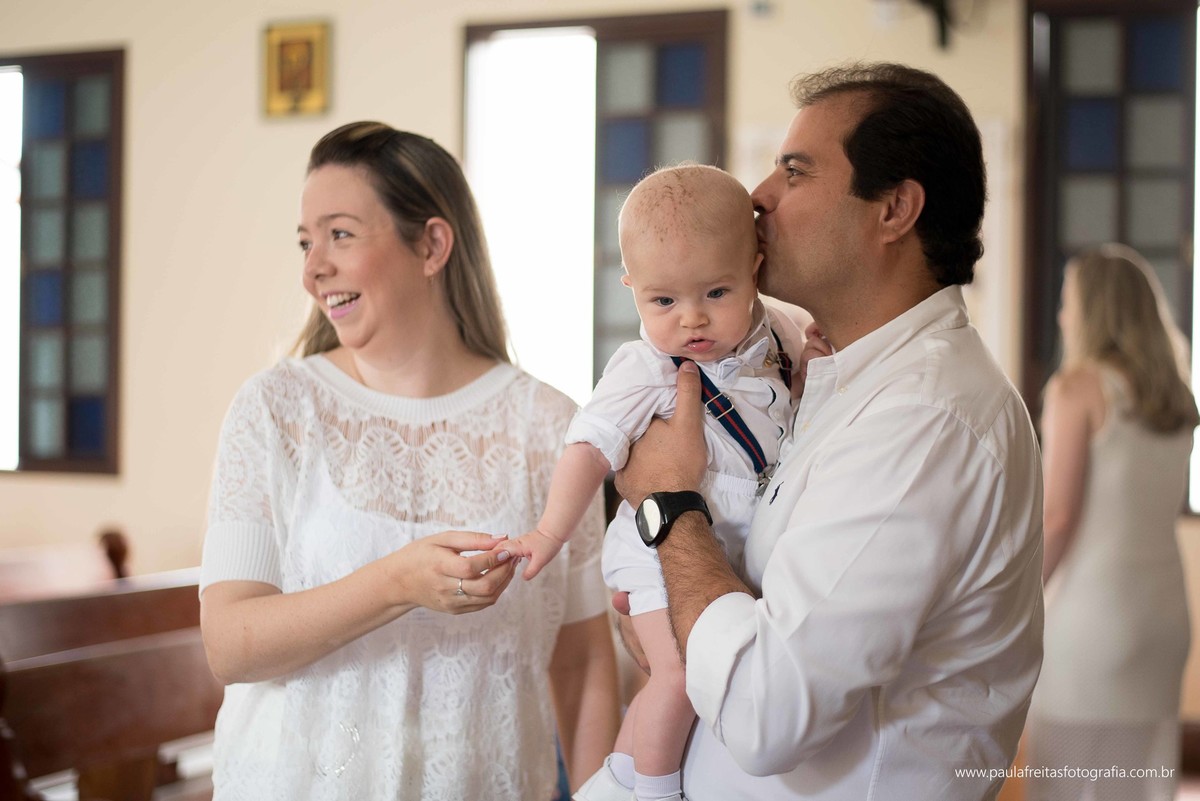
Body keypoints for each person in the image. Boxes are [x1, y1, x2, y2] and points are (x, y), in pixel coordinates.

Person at [611, 62, 1045, 800]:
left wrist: (669, 507)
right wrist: (679, 619)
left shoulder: (923, 418)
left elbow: (766, 714)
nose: (758, 195)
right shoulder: (838, 375)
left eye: (794, 171)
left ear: (894, 208)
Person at [199, 121, 619, 801]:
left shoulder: (548, 425)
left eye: (339, 235)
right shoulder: (275, 408)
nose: (313, 268)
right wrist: (396, 582)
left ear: (431, 245)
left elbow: (582, 662)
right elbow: (229, 643)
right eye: (306, 242)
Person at [504, 164, 812, 801]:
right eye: (663, 302)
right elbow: (589, 447)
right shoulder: (645, 367)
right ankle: (656, 790)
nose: (692, 319)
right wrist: (549, 532)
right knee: (680, 677)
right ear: (632, 288)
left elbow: (803, 371)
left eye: (716, 293)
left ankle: (619, 777)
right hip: (652, 554)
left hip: (716, 549)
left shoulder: (777, 333)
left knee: (687, 677)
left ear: (755, 269)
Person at [1027, 244, 1196, 801]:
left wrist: (1016, 602)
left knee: (1065, 781)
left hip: (1094, 620)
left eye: (1068, 302)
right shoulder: (1175, 398)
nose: (1061, 316)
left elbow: (1059, 518)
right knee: (1140, 784)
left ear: (1094, 309)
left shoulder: (1078, 388)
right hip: (1165, 618)